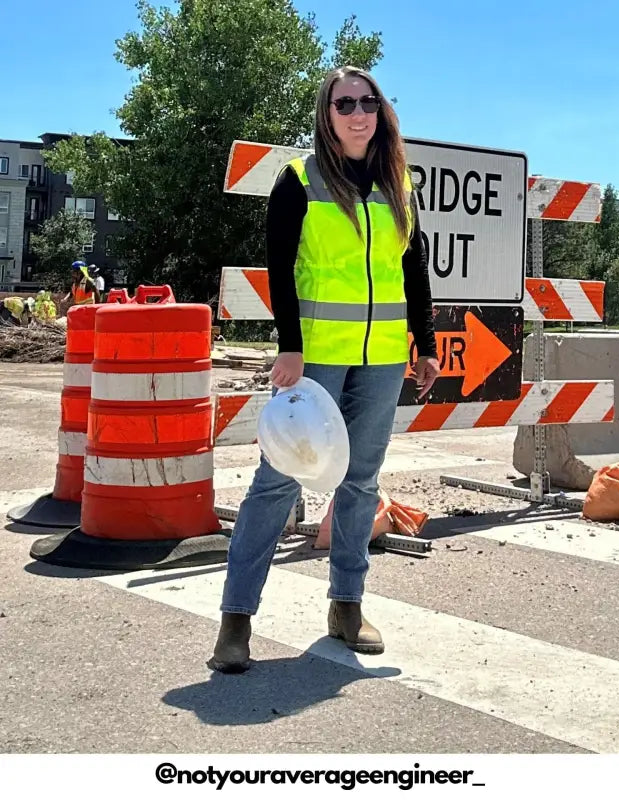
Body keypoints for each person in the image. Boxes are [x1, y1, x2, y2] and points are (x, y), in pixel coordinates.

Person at [209, 66, 440, 674]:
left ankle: (346, 607)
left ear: (381, 111)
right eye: (345, 104)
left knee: (361, 481)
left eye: (368, 102)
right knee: (278, 481)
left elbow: (414, 269)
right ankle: (236, 622)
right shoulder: (299, 180)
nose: (358, 113)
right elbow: (280, 269)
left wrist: (427, 342)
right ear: (327, 114)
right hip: (315, 359)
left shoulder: (400, 184)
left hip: (385, 356)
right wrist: (288, 345)